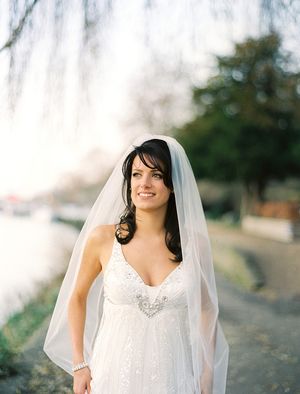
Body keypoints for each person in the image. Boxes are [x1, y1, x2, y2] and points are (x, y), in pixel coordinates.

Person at [44, 134, 229, 394]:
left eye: (155, 174)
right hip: (112, 374)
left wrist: (207, 371)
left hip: (174, 375)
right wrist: (80, 365)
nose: (144, 183)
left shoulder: (194, 245)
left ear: (173, 183)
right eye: (136, 174)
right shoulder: (102, 239)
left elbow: (207, 309)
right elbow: (76, 297)